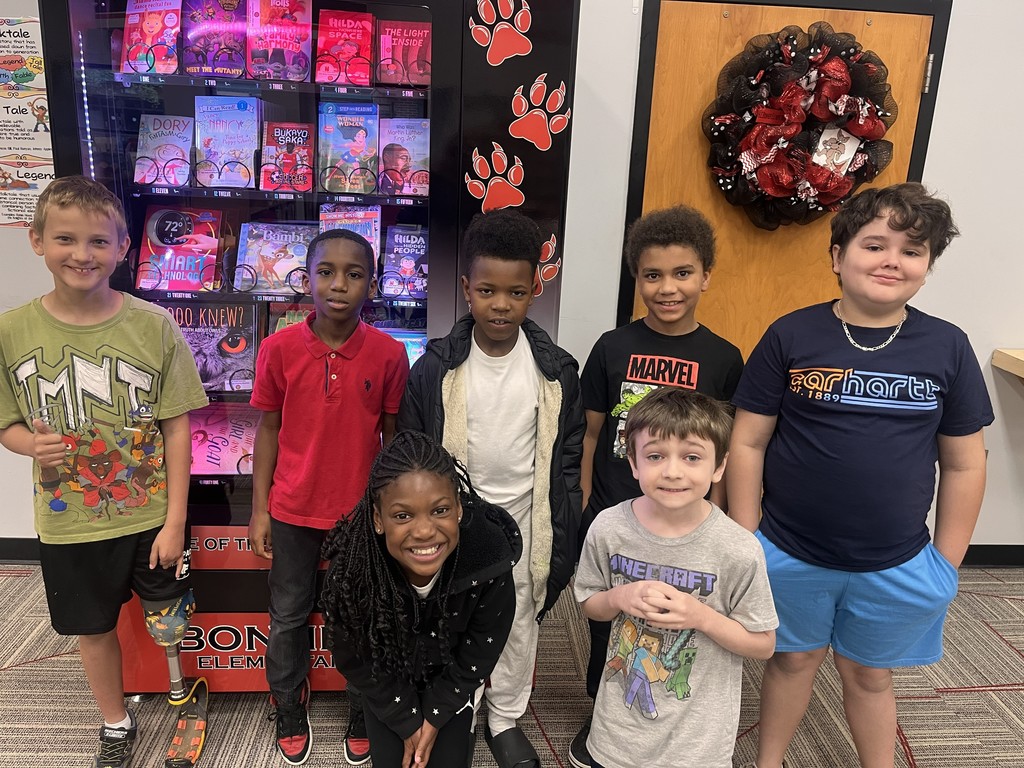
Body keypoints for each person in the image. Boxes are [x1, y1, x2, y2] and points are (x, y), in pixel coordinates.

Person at [727, 183, 994, 768]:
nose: (892, 260)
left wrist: (947, 562)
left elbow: (965, 462)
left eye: (912, 250)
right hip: (790, 548)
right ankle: (768, 760)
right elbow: (747, 441)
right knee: (793, 660)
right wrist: (747, 538)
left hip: (897, 558)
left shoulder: (947, 347)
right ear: (837, 257)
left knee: (869, 674)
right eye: (874, 245)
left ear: (927, 267)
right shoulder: (791, 335)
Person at [0, 175, 209, 768]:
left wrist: (175, 520)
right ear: (37, 240)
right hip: (70, 522)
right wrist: (26, 445)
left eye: (98, 242)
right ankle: (115, 720)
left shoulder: (154, 326)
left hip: (150, 517)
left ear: (123, 249)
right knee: (93, 630)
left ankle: (179, 693)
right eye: (65, 238)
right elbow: (6, 422)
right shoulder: (11, 331)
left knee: (171, 617)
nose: (82, 255)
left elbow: (176, 427)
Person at [397, 209, 585, 768]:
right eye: (486, 290)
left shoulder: (553, 370)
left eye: (516, 292)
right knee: (453, 614)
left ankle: (505, 716)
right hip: (456, 519)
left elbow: (567, 456)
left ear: (534, 291)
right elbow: (411, 445)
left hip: (527, 519)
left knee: (518, 617)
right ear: (466, 290)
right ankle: (460, 708)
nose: (500, 304)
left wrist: (568, 521)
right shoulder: (436, 367)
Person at [569, 205, 743, 768]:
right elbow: (591, 434)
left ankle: (671, 726)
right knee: (609, 620)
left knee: (672, 626)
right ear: (637, 279)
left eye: (682, 273)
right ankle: (606, 714)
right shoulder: (611, 347)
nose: (667, 288)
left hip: (684, 524)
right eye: (652, 275)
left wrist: (716, 516)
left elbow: (722, 449)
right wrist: (583, 503)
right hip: (617, 516)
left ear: (706, 276)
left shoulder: (723, 358)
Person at [248, 228, 410, 766]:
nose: (339, 284)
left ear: (372, 283)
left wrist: (392, 513)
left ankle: (364, 707)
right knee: (289, 613)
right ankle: (289, 703)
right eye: (325, 272)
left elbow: (392, 439)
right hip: (292, 508)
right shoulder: (278, 348)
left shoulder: (388, 355)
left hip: (361, 516)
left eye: (355, 273)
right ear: (306, 279)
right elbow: (267, 431)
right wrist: (259, 510)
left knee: (362, 616)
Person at [575, 387, 777, 768]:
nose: (672, 470)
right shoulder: (609, 527)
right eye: (654, 455)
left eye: (692, 457)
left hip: (697, 742)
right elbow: (589, 604)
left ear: (719, 466)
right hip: (616, 733)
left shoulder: (738, 548)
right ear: (632, 462)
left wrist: (699, 616)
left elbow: (763, 644)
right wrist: (619, 598)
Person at [321, 430, 521, 768]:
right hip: (384, 678)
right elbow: (353, 655)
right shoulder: (354, 570)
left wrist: (436, 713)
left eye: (440, 510)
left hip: (454, 676)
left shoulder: (489, 561)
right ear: (377, 519)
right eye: (402, 515)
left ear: (458, 508)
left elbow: (483, 645)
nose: (425, 531)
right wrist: (406, 718)